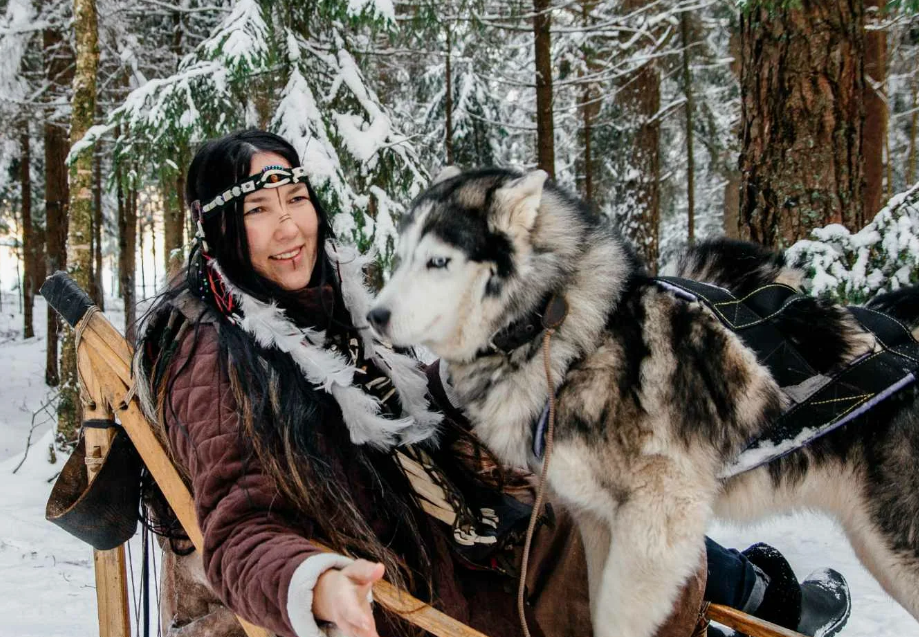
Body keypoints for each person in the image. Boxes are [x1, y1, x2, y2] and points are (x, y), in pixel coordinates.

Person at [134, 128, 848, 637]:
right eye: (258, 210)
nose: (289, 227)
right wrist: (315, 583)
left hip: (440, 519)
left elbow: (396, 397)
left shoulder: (323, 301)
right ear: (221, 227)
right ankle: (757, 597)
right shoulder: (215, 354)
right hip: (408, 581)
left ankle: (749, 593)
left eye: (294, 197)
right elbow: (237, 526)